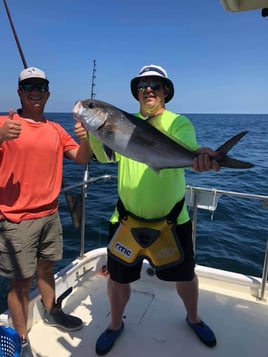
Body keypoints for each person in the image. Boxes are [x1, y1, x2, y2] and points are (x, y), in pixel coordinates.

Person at [90, 64, 220, 355]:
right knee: (118, 278)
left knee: (185, 276)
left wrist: (199, 158)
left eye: (155, 85)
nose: (148, 90)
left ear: (165, 92)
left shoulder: (178, 123)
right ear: (136, 93)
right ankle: (114, 324)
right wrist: (90, 132)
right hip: (125, 220)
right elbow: (104, 157)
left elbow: (187, 148)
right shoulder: (119, 121)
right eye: (142, 86)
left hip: (172, 222)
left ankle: (194, 317)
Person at [0, 67, 91, 355]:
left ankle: (51, 310)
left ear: (48, 93)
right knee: (20, 282)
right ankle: (22, 338)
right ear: (19, 93)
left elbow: (80, 157)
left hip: (50, 215)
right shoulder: (4, 123)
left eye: (40, 87)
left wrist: (87, 137)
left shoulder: (56, 129)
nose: (35, 92)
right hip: (16, 220)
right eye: (29, 87)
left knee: (47, 266)